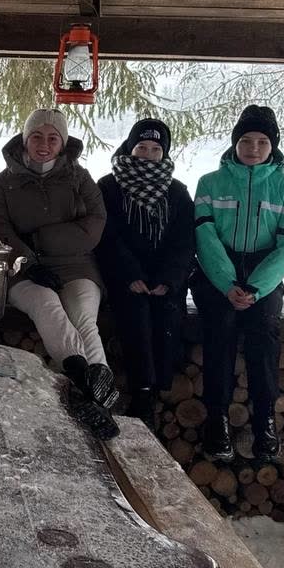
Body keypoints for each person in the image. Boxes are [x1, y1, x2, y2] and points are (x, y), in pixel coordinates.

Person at [0, 108, 118, 438]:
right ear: (25, 140)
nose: (43, 144)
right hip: (22, 269)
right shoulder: (4, 182)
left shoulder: (79, 178)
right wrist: (28, 259)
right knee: (47, 305)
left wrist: (40, 239)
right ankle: (88, 386)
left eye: (52, 138)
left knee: (83, 315)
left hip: (76, 266)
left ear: (63, 143)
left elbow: (94, 224)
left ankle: (93, 396)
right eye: (36, 136)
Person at [191, 105, 284, 464]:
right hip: (215, 271)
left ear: (273, 146)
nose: (253, 148)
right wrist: (227, 283)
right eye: (246, 141)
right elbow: (205, 236)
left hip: (263, 273)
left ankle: (265, 419)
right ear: (234, 143)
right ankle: (217, 418)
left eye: (261, 141)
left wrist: (256, 288)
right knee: (220, 327)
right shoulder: (210, 183)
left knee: (264, 329)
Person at [96, 118, 194, 430]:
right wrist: (130, 274)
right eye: (141, 147)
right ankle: (141, 392)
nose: (148, 154)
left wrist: (168, 279)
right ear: (130, 147)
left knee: (167, 315)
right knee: (134, 313)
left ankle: (156, 389)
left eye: (155, 149)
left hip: (165, 278)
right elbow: (107, 236)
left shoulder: (177, 192)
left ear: (164, 153)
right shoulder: (108, 187)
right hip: (123, 274)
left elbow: (184, 241)